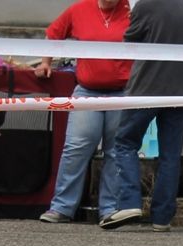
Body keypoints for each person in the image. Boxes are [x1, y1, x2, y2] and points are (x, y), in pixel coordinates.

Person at [99, 0, 183, 232]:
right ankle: (162, 217)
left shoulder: (145, 5)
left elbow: (130, 40)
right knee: (170, 156)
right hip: (181, 91)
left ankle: (130, 202)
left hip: (146, 88)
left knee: (124, 142)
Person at [36, 0, 132, 224]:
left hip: (124, 91)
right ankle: (61, 207)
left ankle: (110, 209)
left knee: (117, 151)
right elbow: (54, 33)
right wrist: (45, 63)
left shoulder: (133, 11)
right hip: (87, 89)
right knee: (76, 147)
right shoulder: (78, 9)